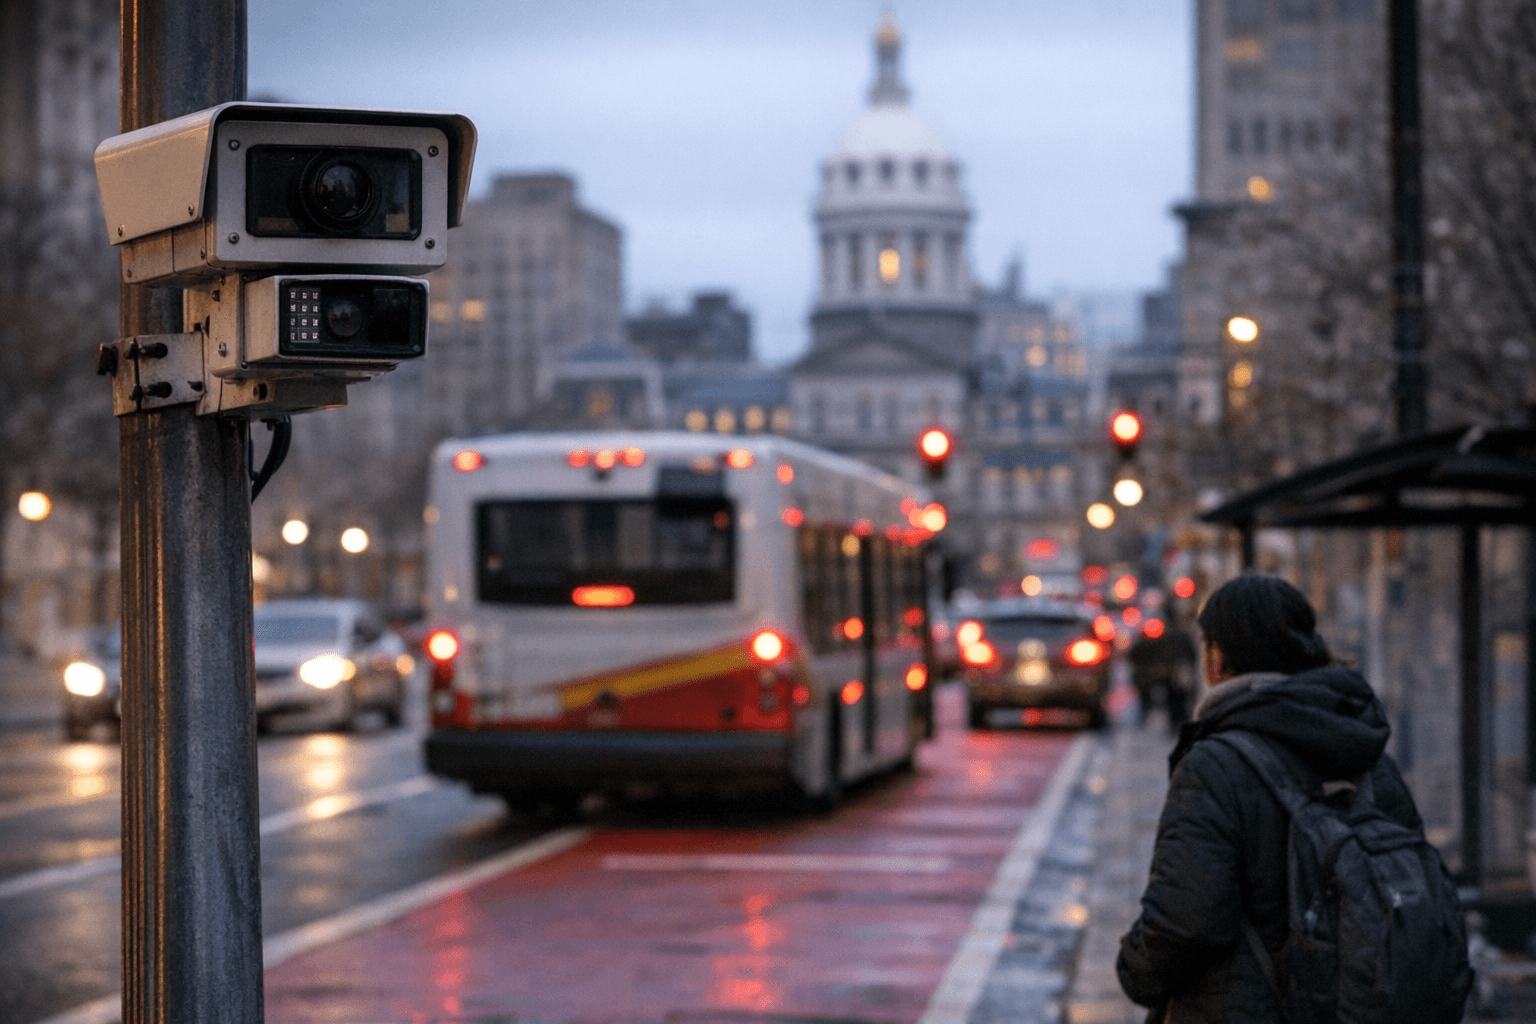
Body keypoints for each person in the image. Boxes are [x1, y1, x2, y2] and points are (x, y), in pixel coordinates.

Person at [1116, 574, 1434, 1023]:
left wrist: (1134, 968)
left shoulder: (1214, 765)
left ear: (1217, 658)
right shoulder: (1368, 755)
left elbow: (1185, 920)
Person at [1126, 612, 1198, 729]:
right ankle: (1147, 711)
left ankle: (1179, 721)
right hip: (1152, 675)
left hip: (1173, 676)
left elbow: (1189, 656)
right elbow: (1134, 657)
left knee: (1177, 697)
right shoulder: (1144, 642)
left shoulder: (1177, 639)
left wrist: (1177, 668)